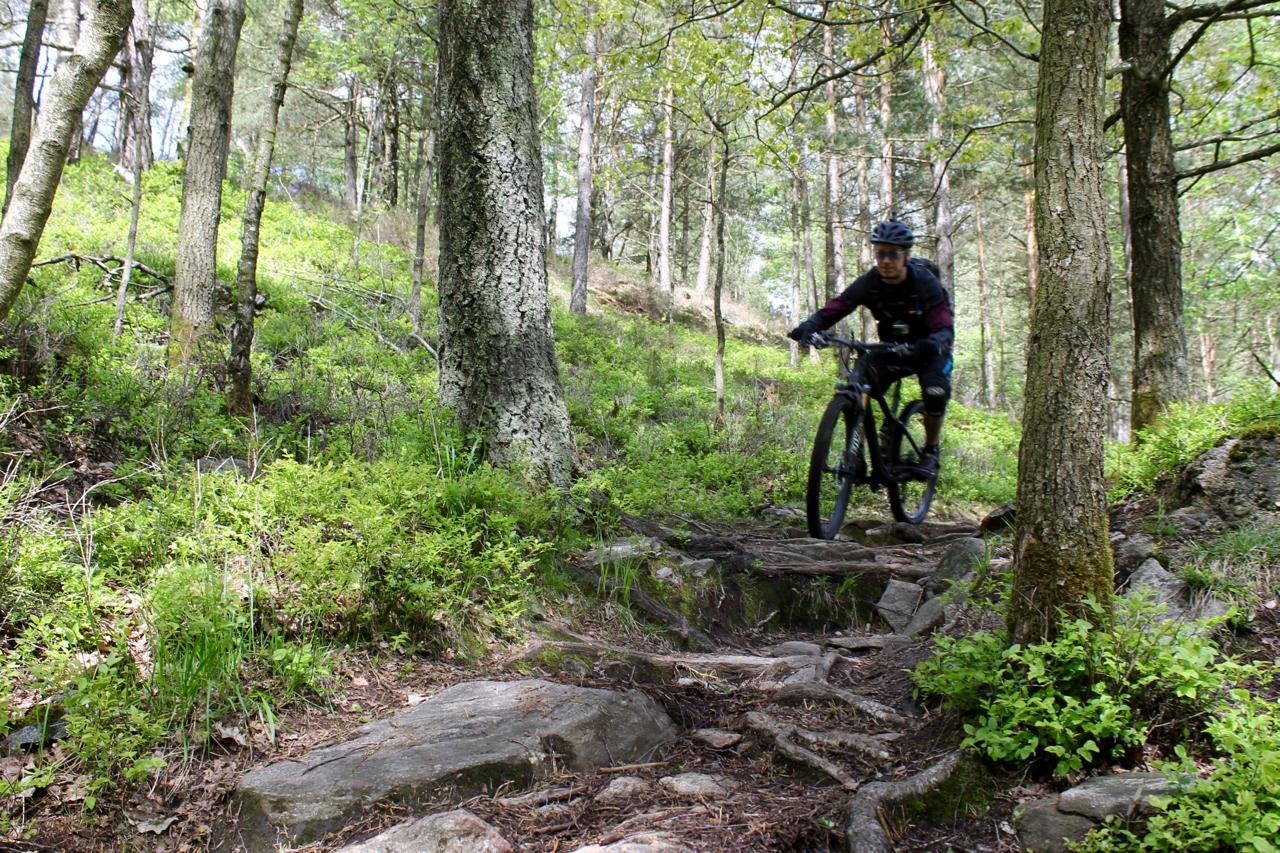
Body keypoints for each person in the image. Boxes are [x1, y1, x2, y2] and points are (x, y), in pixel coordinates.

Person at [787, 219, 954, 478]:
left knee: (935, 390)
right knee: (857, 385)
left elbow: (944, 325)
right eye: (880, 253)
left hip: (929, 348)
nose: (886, 260)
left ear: (906, 256)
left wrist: (934, 342)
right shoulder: (871, 282)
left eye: (893, 254)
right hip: (890, 347)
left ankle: (931, 451)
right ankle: (856, 455)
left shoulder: (925, 283)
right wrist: (810, 325)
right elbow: (840, 305)